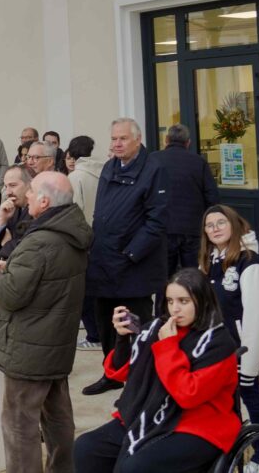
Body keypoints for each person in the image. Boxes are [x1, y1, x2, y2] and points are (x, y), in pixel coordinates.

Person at [73, 268, 239, 473]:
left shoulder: (218, 342)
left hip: (199, 423)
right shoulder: (156, 328)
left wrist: (168, 346)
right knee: (85, 448)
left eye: (183, 301)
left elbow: (188, 394)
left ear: (203, 301)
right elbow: (121, 372)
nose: (175, 309)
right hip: (149, 412)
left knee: (134, 468)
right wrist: (122, 338)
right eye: (170, 301)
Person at [0, 172, 88, 473]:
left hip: (30, 349)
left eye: (32, 191)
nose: (26, 195)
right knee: (58, 417)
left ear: (44, 201)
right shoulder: (72, 232)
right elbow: (47, 276)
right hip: (56, 345)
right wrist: (10, 265)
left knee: (19, 423)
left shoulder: (39, 242)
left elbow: (11, 294)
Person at [85, 118, 167, 396]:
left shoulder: (154, 170)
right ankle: (112, 374)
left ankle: (140, 382)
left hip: (133, 267)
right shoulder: (110, 167)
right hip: (104, 262)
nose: (117, 144)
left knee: (135, 327)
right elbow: (101, 212)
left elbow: (157, 221)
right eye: (113, 139)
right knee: (106, 324)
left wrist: (131, 254)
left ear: (138, 139)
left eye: (123, 138)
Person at [198, 205, 259, 467]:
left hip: (239, 349)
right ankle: (231, 453)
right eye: (210, 225)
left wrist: (249, 363)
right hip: (214, 349)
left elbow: (257, 317)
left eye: (221, 222)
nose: (215, 228)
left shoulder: (249, 262)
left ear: (234, 224)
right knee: (222, 402)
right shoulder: (207, 262)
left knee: (250, 393)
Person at [157, 124, 219, 275]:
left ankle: (167, 292)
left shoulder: (153, 160)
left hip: (163, 226)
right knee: (193, 274)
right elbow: (212, 196)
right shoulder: (199, 162)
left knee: (164, 275)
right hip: (193, 227)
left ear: (166, 140)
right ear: (188, 142)